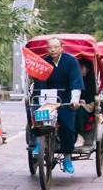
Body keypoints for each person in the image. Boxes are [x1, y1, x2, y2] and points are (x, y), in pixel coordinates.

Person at [32, 37, 85, 174]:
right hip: (47, 96)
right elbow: (40, 82)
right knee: (37, 115)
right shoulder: (43, 61)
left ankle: (67, 157)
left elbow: (75, 81)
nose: (53, 49)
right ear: (47, 49)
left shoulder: (71, 61)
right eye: (50, 47)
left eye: (56, 47)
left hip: (65, 97)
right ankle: (38, 142)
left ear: (62, 47)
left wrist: (74, 100)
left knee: (68, 125)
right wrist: (40, 102)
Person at [73, 58, 98, 147]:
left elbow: (92, 97)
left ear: (88, 69)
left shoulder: (91, 80)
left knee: (79, 111)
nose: (80, 70)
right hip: (73, 103)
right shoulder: (74, 78)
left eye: (82, 68)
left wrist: (83, 102)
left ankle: (80, 133)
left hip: (87, 106)